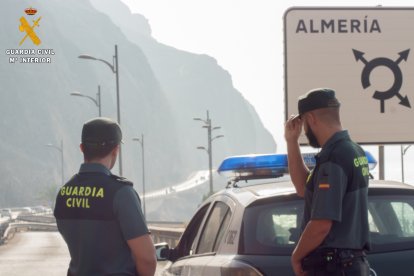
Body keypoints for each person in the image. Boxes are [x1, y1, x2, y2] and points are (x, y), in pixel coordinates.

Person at [54, 117, 156, 276]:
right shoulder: (121, 194)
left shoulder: (64, 193)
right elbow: (147, 258)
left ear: (82, 148)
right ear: (116, 150)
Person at [284, 88, 370, 276]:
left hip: (335, 267)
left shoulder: (333, 157)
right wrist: (292, 142)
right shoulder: (353, 150)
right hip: (352, 264)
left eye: (304, 124)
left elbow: (321, 224)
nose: (305, 131)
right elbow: (303, 188)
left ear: (311, 119)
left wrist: (296, 256)